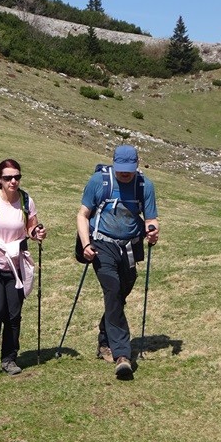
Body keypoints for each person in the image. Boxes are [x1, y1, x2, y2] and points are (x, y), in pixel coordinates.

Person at [76, 145, 159, 378]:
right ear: (113, 164)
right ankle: (122, 355)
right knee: (112, 290)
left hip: (131, 247)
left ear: (136, 165)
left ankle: (104, 340)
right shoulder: (98, 182)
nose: (124, 173)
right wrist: (85, 245)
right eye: (121, 169)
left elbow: (151, 219)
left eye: (129, 169)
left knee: (119, 295)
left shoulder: (145, 186)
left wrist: (152, 231)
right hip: (101, 244)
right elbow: (82, 215)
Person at [0, 159, 46, 376]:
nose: (13, 181)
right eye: (8, 178)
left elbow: (32, 227)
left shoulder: (26, 200)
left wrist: (37, 233)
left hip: (16, 266)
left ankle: (9, 358)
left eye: (17, 177)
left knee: (13, 315)